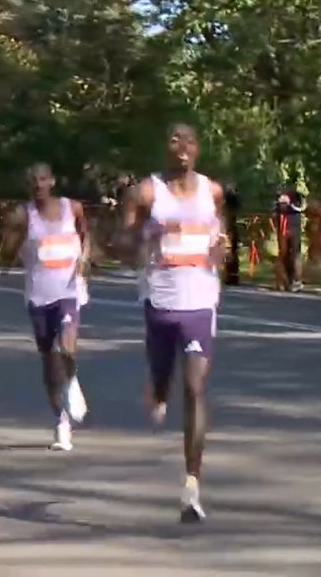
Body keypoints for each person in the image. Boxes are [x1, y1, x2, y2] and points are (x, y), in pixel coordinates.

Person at [113, 123, 227, 523]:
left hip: (200, 299)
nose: (181, 148)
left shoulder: (211, 191)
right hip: (160, 298)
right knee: (163, 377)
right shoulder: (146, 193)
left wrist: (220, 252)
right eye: (173, 140)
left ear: (198, 149)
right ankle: (158, 391)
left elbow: (219, 236)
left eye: (189, 141)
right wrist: (143, 239)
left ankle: (191, 486)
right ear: (164, 147)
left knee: (195, 386)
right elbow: (121, 244)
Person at [0, 163, 91, 451]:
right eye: (32, 180)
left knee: (65, 347)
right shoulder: (22, 215)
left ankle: (73, 381)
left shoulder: (71, 208)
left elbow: (86, 235)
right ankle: (61, 421)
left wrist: (84, 258)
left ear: (52, 181)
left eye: (42, 179)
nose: (38, 185)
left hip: (69, 290)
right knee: (50, 366)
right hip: (39, 296)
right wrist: (11, 245)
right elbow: (6, 255)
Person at [270, 184, 306, 292]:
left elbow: (303, 207)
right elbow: (273, 211)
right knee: (283, 254)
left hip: (294, 228)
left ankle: (296, 280)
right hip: (283, 229)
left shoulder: (298, 197)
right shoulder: (277, 200)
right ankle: (283, 281)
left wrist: (290, 204)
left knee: (295, 255)